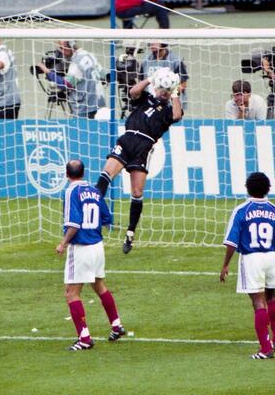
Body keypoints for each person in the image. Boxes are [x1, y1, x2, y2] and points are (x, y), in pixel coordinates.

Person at [95, 67, 183, 254]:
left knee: (137, 192)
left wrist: (175, 92)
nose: (164, 92)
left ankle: (130, 233)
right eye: (163, 89)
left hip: (144, 146)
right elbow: (133, 92)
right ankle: (92, 215)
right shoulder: (146, 98)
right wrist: (151, 78)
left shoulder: (169, 110)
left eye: (167, 91)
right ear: (157, 87)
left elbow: (177, 116)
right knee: (106, 174)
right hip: (127, 139)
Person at [57, 160, 125, 351]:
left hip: (81, 247)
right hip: (97, 247)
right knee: (99, 285)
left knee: (71, 293)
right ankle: (116, 325)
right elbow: (107, 218)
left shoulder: (71, 191)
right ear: (83, 172)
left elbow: (74, 223)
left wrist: (63, 243)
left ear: (67, 174)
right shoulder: (94, 191)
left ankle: (84, 338)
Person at [219, 172, 275, 360]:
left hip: (251, 258)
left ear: (247, 189)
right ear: (268, 189)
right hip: (271, 257)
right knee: (271, 297)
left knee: (258, 302)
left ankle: (266, 348)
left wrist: (225, 265)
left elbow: (231, 242)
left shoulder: (241, 210)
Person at [36, 40, 105, 118]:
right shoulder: (90, 55)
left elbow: (65, 85)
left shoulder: (76, 62)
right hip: (99, 104)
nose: (61, 52)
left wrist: (47, 71)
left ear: (69, 46)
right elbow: (104, 77)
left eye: (62, 48)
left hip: (84, 109)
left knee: (77, 125)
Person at [139, 42, 188, 108]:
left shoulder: (175, 61)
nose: (152, 43)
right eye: (150, 40)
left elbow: (183, 84)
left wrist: (169, 96)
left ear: (163, 42)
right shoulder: (145, 61)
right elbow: (141, 82)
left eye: (155, 40)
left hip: (170, 105)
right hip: (151, 104)